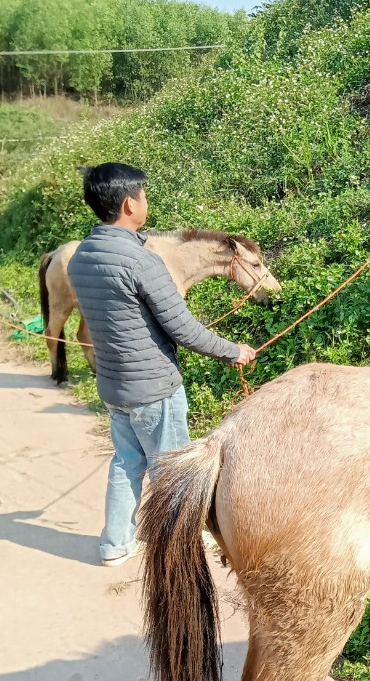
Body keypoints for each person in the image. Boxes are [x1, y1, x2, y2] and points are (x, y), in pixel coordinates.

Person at [68, 162, 256, 566]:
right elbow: (183, 328)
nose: (146, 202)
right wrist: (232, 350)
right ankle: (181, 545)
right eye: (144, 195)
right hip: (153, 387)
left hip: (115, 386)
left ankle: (115, 544)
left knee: (125, 463)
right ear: (128, 203)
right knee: (171, 471)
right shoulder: (143, 263)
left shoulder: (81, 256)